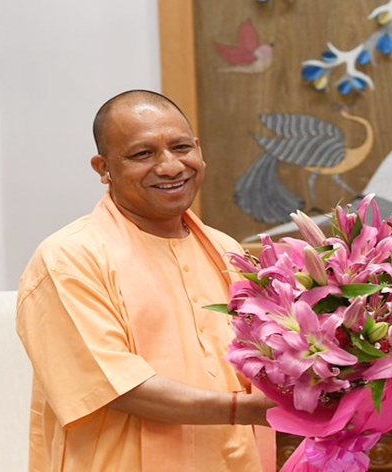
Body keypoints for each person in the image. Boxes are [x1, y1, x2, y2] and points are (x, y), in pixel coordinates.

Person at [16, 90, 276, 472]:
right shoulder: (69, 258)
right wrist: (244, 409)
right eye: (143, 154)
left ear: (199, 150)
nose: (171, 167)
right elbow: (117, 385)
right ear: (103, 168)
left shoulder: (226, 250)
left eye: (181, 147)